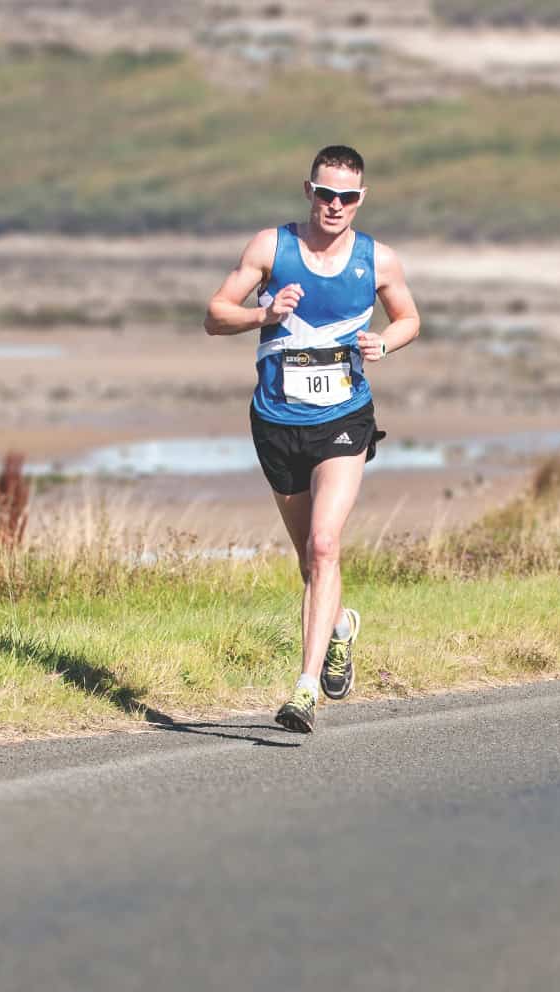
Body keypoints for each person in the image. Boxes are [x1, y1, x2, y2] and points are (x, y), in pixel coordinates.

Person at [204, 144, 420, 734]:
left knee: (326, 545)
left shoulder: (379, 260)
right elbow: (215, 313)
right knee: (308, 560)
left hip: (344, 417)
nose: (335, 205)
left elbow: (409, 318)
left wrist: (386, 342)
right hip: (276, 421)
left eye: (347, 196)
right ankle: (340, 628)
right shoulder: (271, 248)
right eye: (325, 193)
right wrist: (262, 315)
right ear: (308, 191)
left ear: (361, 199)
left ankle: (303, 690)